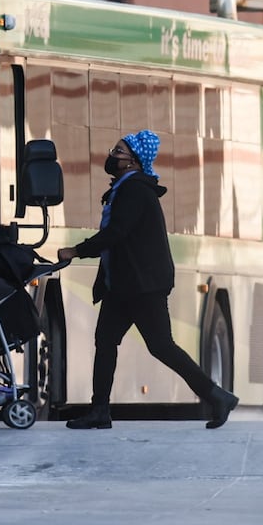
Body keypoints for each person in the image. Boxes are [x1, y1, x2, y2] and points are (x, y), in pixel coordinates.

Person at [56, 130, 240, 431]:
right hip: (125, 285)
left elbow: (116, 233)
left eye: (118, 151)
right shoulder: (127, 189)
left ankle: (217, 396)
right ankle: (99, 410)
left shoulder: (135, 191)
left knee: (160, 346)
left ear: (133, 161)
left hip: (142, 287)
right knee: (106, 341)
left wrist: (76, 250)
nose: (112, 155)